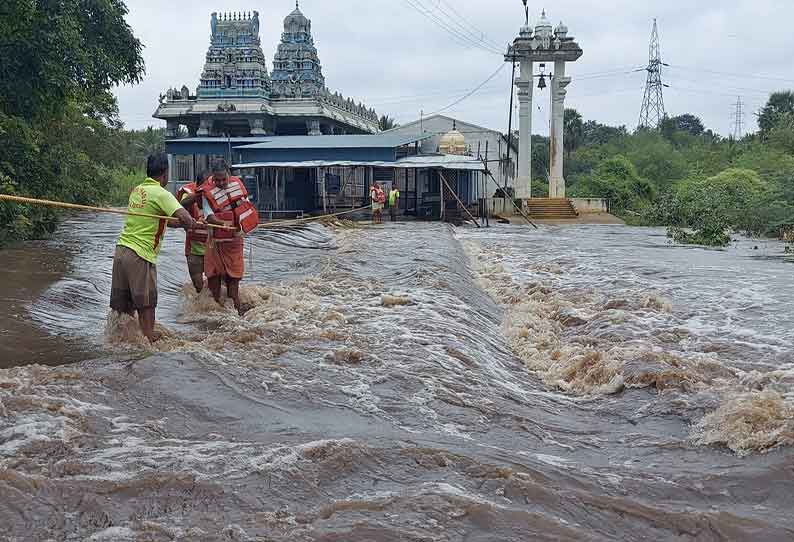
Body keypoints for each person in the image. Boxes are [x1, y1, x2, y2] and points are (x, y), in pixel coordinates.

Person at [110, 153, 197, 342]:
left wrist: (185, 223)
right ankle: (148, 341)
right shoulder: (161, 193)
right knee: (147, 303)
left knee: (124, 308)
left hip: (121, 251)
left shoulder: (137, 190)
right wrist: (193, 223)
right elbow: (184, 217)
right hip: (140, 255)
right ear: (165, 174)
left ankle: (122, 341)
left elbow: (167, 221)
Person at [202, 159, 252, 316]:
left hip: (234, 242)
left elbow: (246, 209)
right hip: (215, 243)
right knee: (214, 283)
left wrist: (241, 224)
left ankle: (236, 317)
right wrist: (223, 224)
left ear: (229, 175)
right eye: (217, 180)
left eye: (224, 179)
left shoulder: (237, 186)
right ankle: (218, 315)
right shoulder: (206, 192)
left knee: (233, 284)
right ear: (212, 177)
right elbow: (208, 215)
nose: (221, 183)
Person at [177, 171, 210, 293]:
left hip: (214, 249)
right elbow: (179, 207)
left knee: (218, 288)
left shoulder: (218, 196)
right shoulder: (189, 196)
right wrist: (198, 196)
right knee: (199, 288)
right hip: (194, 250)